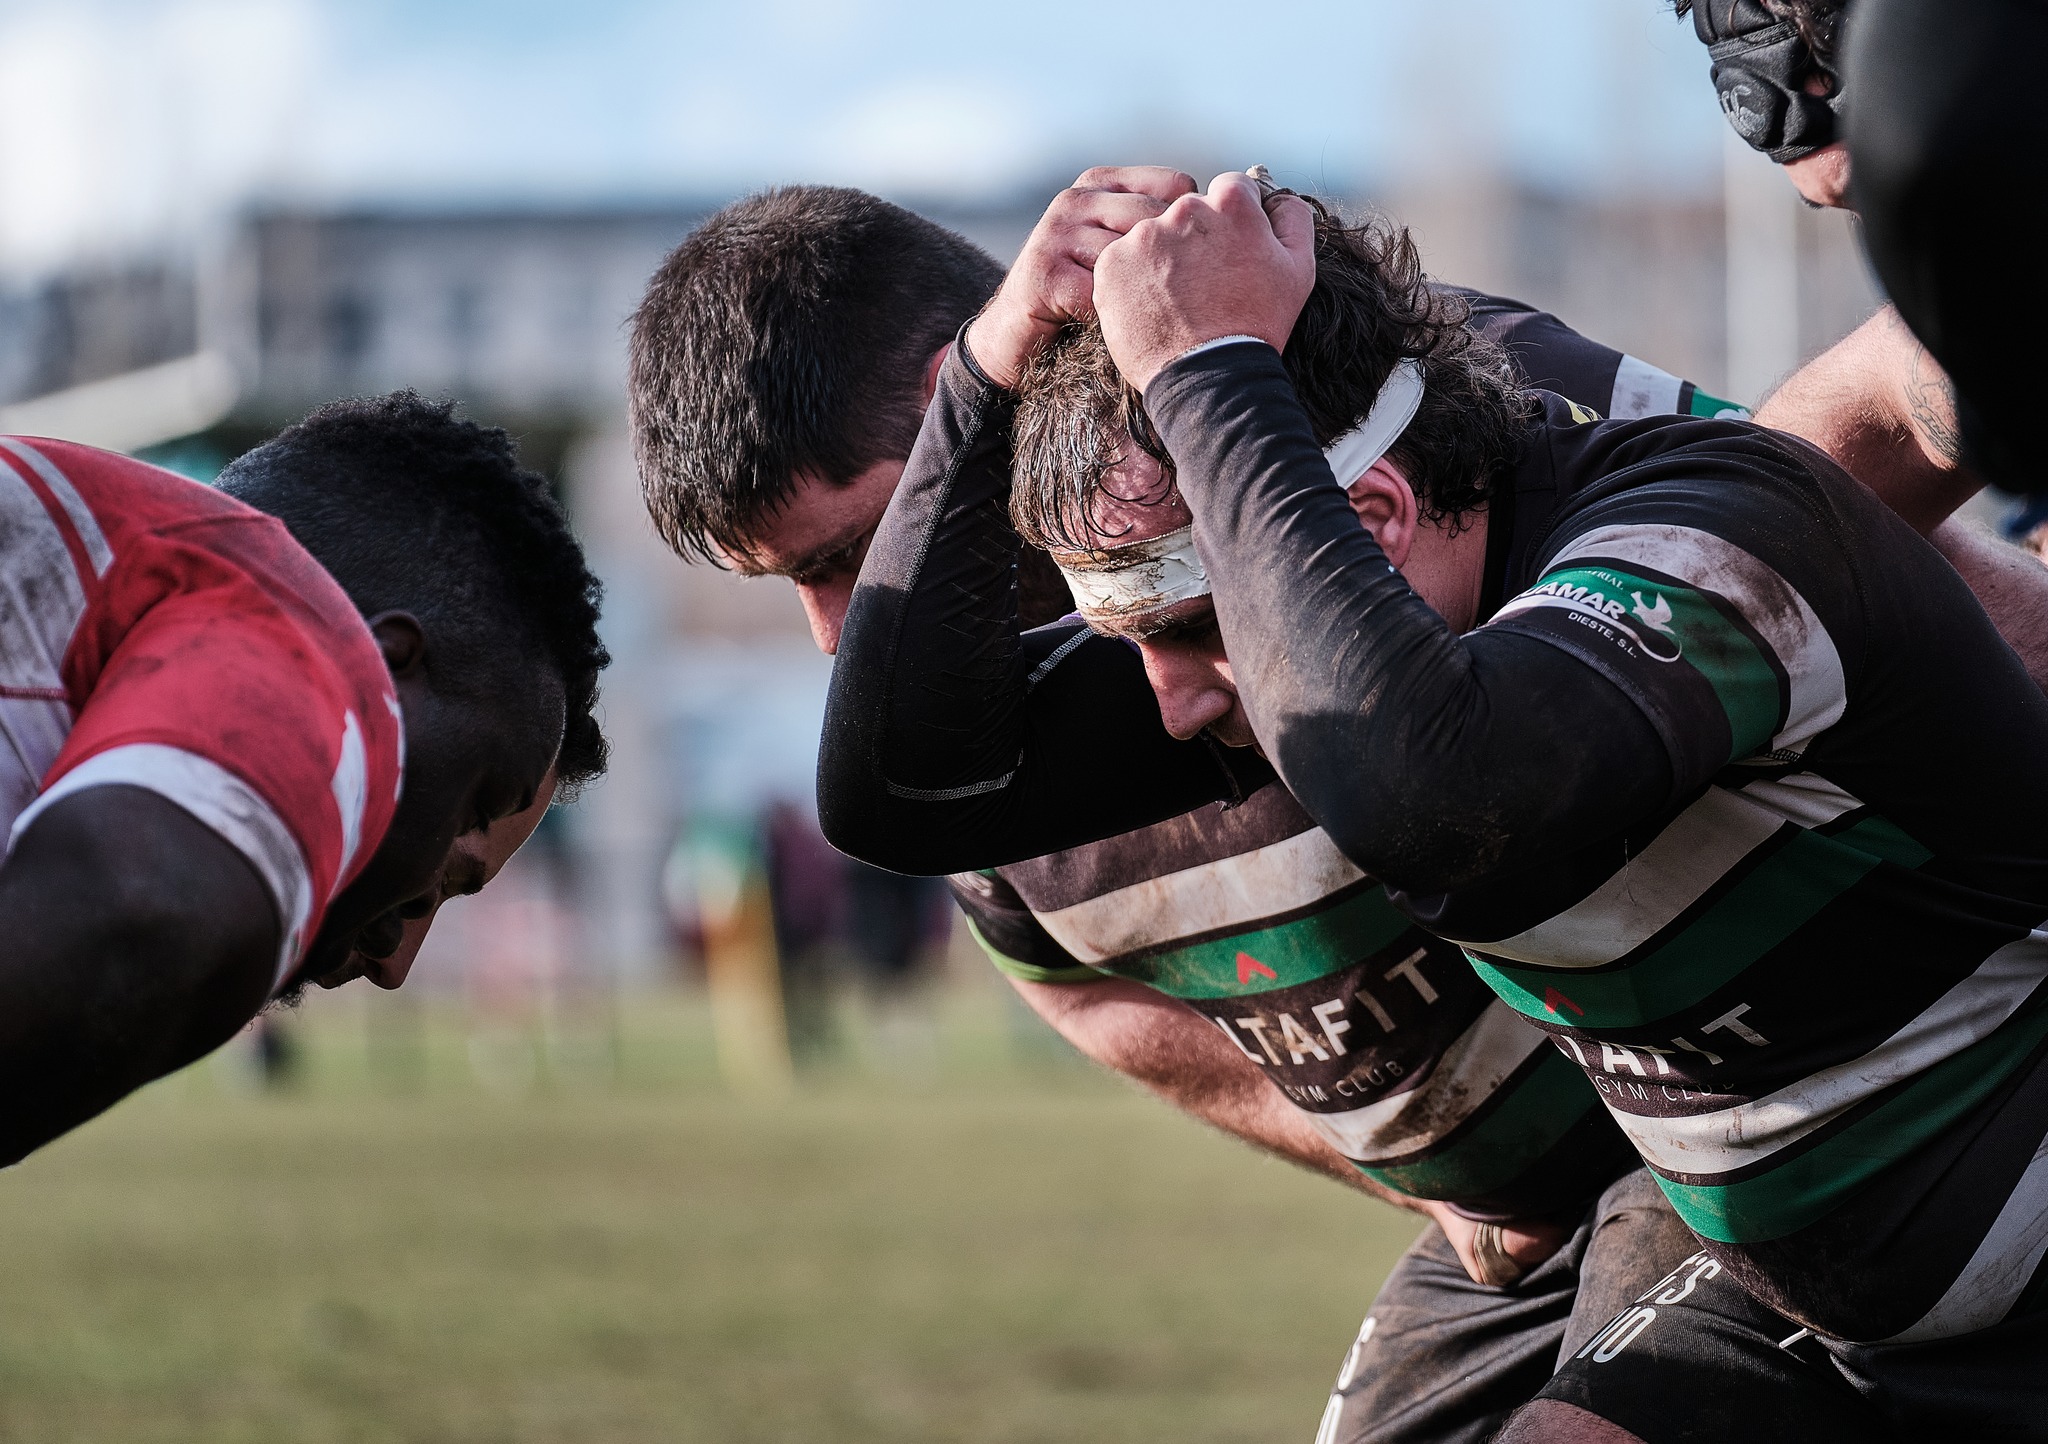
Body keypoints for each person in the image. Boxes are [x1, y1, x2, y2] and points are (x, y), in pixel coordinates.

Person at [631, 182, 1891, 1444]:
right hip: (1509, 1234)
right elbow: (1072, 989)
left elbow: (1830, 531)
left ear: (977, 381)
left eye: (843, 553)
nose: (841, 634)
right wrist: (1396, 1166)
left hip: (1754, 1116)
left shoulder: (1392, 403)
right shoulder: (957, 736)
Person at [0, 391, 607, 1164]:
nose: (396, 963)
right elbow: (142, 912)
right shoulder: (298, 625)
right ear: (384, 668)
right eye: (464, 819)